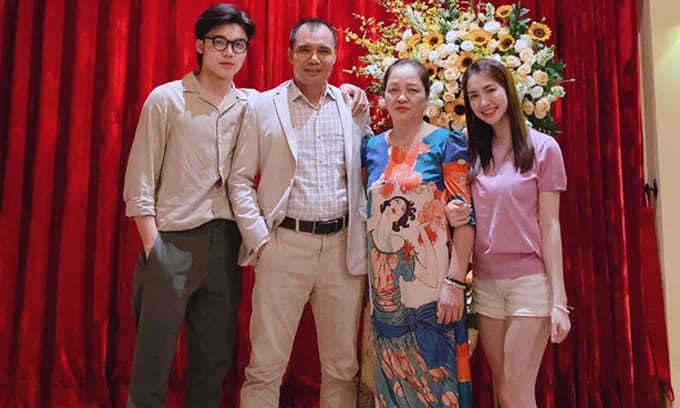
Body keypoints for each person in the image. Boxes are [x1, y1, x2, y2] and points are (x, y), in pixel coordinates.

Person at [123, 5, 367, 406]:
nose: (229, 52)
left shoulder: (256, 103)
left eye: (238, 45)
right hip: (178, 240)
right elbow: (143, 181)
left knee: (214, 361)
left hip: (232, 242)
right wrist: (156, 247)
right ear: (200, 45)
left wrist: (352, 91)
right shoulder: (172, 99)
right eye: (219, 42)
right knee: (156, 357)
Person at [228, 18, 371, 408]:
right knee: (265, 366)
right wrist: (261, 240)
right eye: (305, 49)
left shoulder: (351, 106)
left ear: (336, 56)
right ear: (290, 53)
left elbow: (370, 168)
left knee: (343, 368)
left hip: (341, 251)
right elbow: (239, 179)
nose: (314, 58)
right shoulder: (263, 106)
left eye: (323, 50)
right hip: (283, 246)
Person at [448, 57, 571, 407]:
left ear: (508, 90)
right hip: (486, 284)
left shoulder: (543, 148)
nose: (484, 102)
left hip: (528, 283)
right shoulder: (472, 152)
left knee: (515, 392)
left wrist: (559, 301)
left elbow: (551, 226)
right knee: (503, 390)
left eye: (490, 90)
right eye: (474, 95)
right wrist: (453, 212)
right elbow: (466, 212)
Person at [360, 58, 474, 407]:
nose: (401, 97)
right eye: (393, 90)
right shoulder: (371, 148)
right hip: (386, 289)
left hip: (434, 284)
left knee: (438, 380)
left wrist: (455, 282)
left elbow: (466, 220)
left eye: (412, 90)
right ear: (383, 97)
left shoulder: (447, 143)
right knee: (392, 383)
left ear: (427, 97)